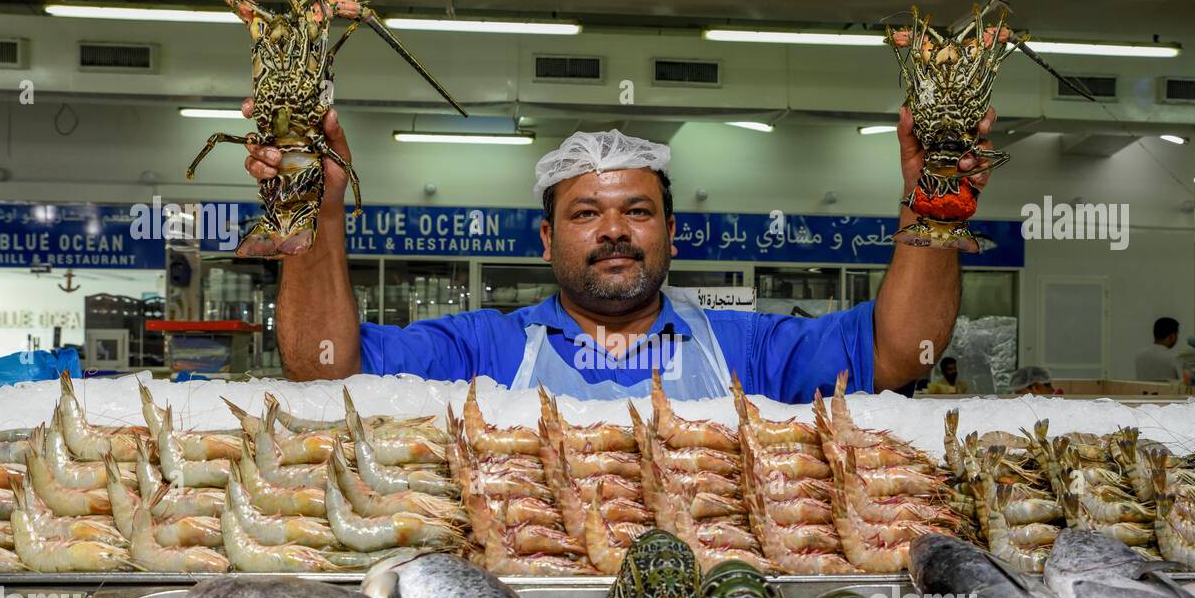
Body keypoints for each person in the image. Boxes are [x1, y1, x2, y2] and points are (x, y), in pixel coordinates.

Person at [241, 102, 998, 402]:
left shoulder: (751, 347)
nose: (613, 230)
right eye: (584, 213)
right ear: (546, 239)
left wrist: (931, 205)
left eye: (638, 210)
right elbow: (323, 367)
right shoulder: (481, 347)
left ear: (672, 232)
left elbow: (905, 355)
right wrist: (318, 216)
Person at [1134, 317, 1182, 382]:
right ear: (1172, 336)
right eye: (1177, 334)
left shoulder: (1139, 356)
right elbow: (1183, 384)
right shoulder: (1174, 358)